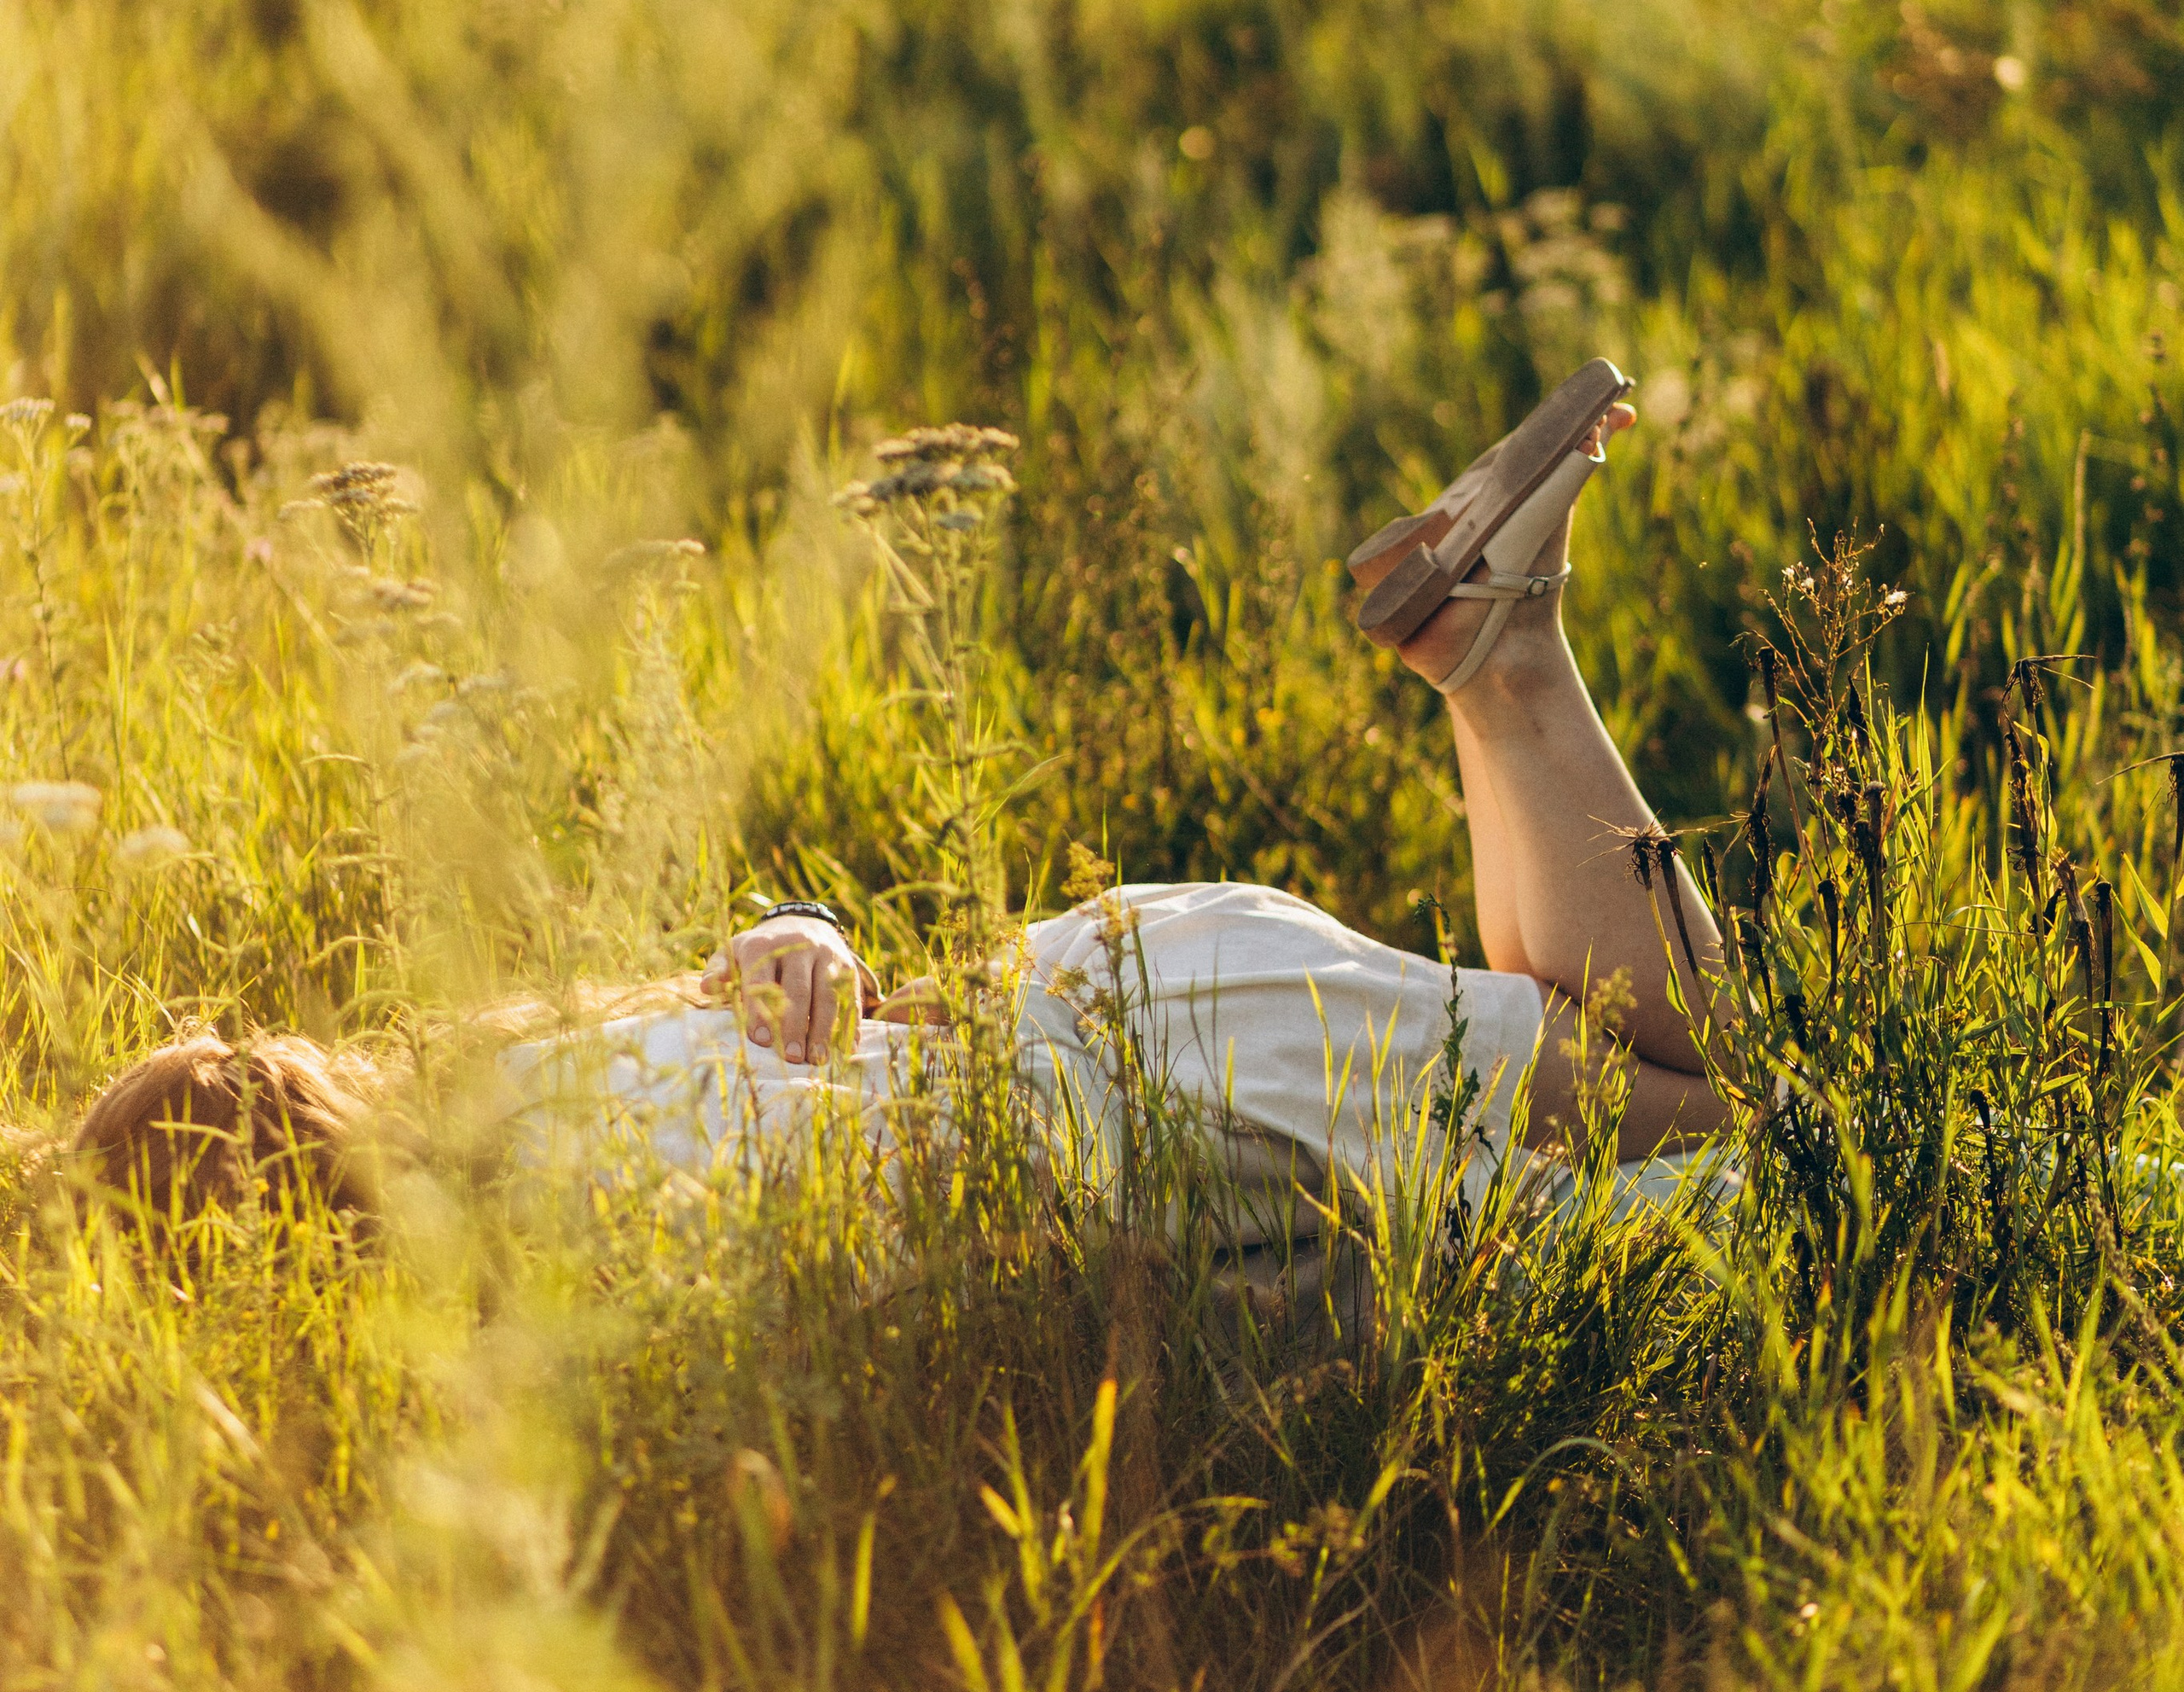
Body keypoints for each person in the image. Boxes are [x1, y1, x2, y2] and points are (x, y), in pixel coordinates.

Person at [74, 364, 1729, 1261]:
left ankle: (1499, 653)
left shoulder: (551, 1237)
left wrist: (795, 941)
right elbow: (808, 1024)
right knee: (1650, 1076)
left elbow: (836, 1098)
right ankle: (1489, 648)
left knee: (1713, 1104)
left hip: (1186, 1068)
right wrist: (797, 936)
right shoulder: (520, 1078)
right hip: (1132, 991)